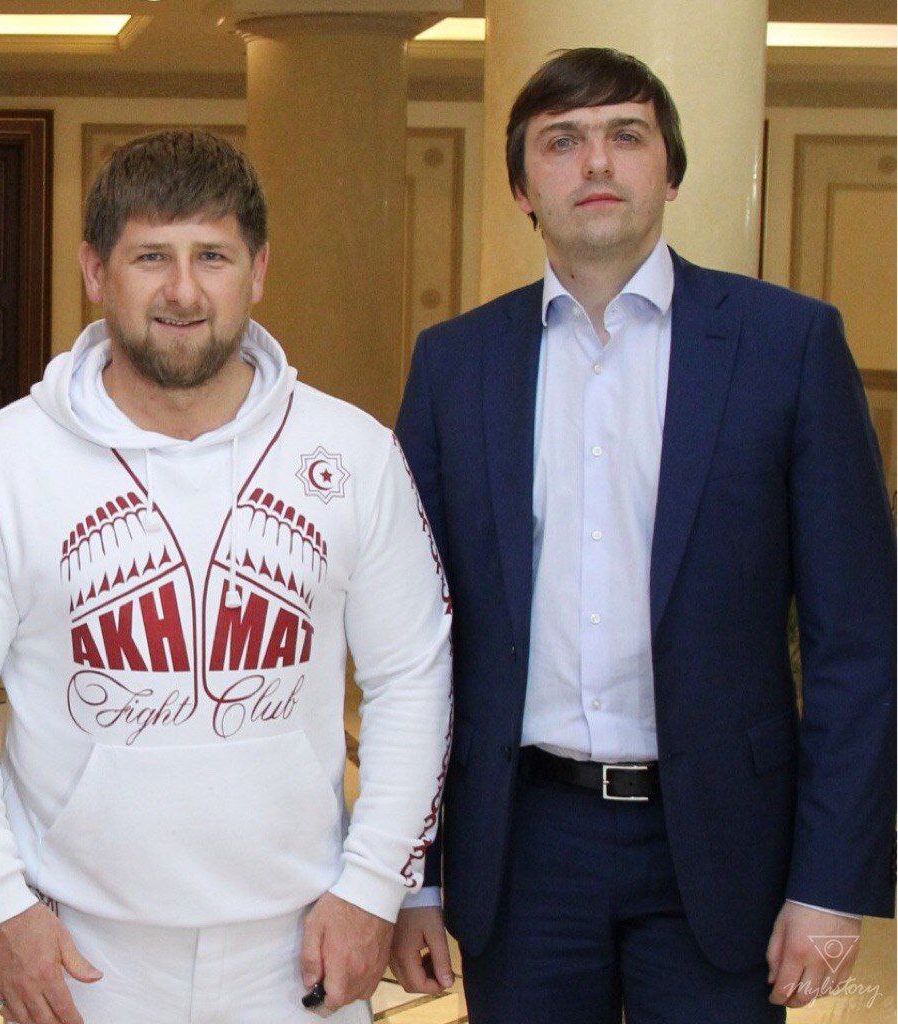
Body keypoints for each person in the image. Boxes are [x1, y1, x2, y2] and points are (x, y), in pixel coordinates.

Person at [391, 47, 895, 1024]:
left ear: (670, 171)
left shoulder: (787, 347)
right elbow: (415, 641)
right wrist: (415, 875)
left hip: (725, 846)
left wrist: (831, 881)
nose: (596, 163)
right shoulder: (456, 365)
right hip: (521, 847)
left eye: (626, 135)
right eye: (562, 142)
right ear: (520, 187)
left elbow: (859, 641)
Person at [0, 129, 453, 1024]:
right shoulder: (2, 462)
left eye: (212, 255)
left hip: (298, 951)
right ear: (95, 272)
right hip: (81, 957)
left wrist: (373, 888)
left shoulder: (352, 453)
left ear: (258, 271)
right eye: (149, 257)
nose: (182, 290)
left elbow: (412, 676)